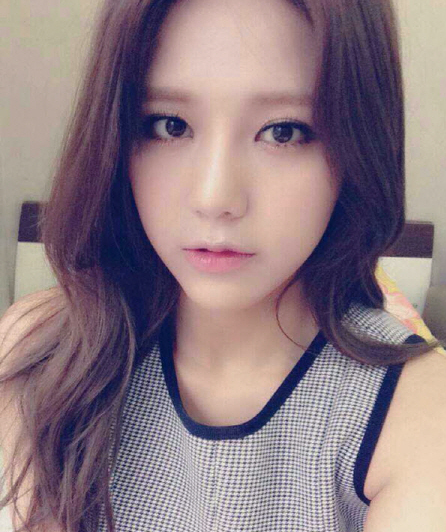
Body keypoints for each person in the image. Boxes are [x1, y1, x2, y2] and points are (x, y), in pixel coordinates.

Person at [0, 0, 446, 531]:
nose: (214, 198)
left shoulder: (415, 412)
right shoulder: (41, 350)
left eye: (284, 132)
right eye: (170, 125)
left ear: (358, 149)